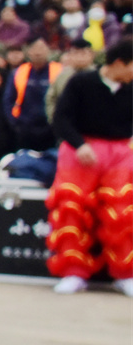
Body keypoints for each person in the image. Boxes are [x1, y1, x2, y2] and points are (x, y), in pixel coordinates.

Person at [47, 38, 133, 295]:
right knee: (72, 207)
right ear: (119, 64)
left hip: (120, 152)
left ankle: (125, 272)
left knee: (124, 210)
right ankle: (73, 272)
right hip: (81, 150)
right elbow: (61, 119)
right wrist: (79, 144)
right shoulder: (81, 83)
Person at [3, 39, 63, 152]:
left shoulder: (59, 71)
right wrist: (15, 123)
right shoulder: (18, 72)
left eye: (41, 48)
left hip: (51, 129)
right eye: (34, 48)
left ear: (48, 51)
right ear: (28, 52)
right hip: (24, 129)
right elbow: (8, 100)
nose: (38, 52)